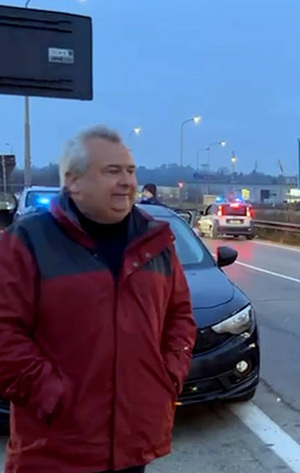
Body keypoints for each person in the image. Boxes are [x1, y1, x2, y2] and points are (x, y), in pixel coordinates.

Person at [0, 125, 197, 473]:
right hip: (55, 448)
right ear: (74, 182)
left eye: (131, 171)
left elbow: (179, 316)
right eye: (112, 171)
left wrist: (168, 376)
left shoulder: (156, 241)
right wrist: (50, 392)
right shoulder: (27, 242)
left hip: (133, 444)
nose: (127, 182)